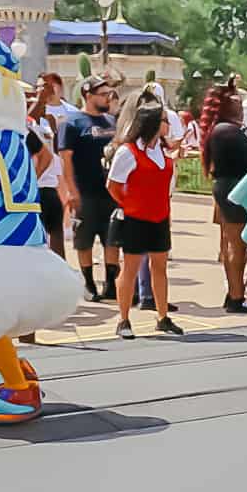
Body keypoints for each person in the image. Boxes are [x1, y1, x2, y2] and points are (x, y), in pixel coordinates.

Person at [106, 104, 181, 338]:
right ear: (152, 124)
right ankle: (124, 319)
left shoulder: (163, 151)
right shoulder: (128, 152)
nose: (168, 125)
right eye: (164, 120)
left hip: (160, 217)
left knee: (160, 267)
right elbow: (113, 186)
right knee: (130, 269)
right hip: (135, 219)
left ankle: (162, 316)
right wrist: (130, 205)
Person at [200, 83, 247, 313]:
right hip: (234, 189)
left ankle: (234, 294)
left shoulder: (229, 128)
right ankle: (237, 295)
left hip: (232, 189)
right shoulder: (225, 130)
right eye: (236, 101)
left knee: (234, 243)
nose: (241, 105)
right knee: (237, 244)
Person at [58, 76, 120, 301]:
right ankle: (89, 283)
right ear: (88, 95)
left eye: (109, 94)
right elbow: (65, 159)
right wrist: (71, 191)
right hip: (85, 191)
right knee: (84, 239)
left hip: (111, 193)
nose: (107, 98)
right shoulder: (72, 123)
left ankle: (111, 283)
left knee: (112, 238)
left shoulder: (111, 122)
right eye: (103, 94)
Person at [27, 86, 66, 259]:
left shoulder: (30, 128)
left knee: (51, 239)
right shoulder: (30, 126)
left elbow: (49, 156)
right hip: (45, 188)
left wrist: (32, 180)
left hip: (43, 189)